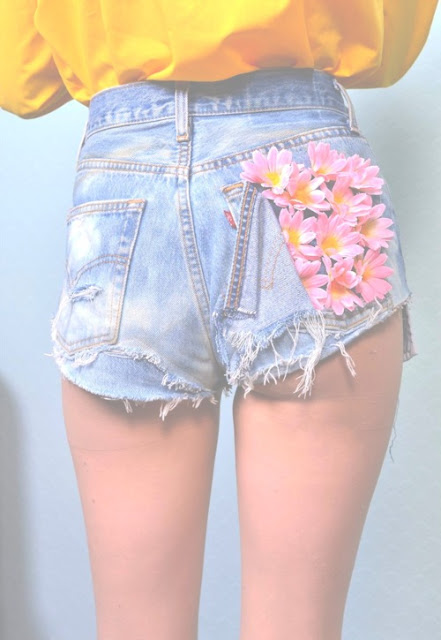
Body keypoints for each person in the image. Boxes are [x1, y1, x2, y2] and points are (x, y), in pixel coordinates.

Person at [1, 2, 438, 639]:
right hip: (302, 164)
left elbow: (19, 75)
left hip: (124, 179)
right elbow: (389, 36)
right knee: (299, 626)